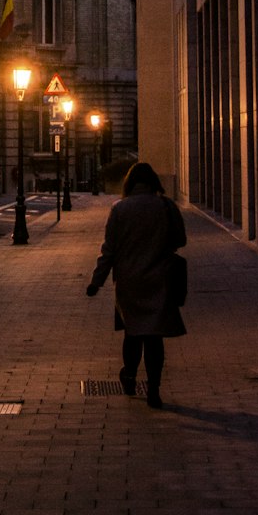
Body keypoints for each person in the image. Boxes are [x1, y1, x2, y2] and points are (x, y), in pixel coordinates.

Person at [85, 161, 186, 409]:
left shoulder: (120, 209)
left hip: (129, 281)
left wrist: (96, 281)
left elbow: (109, 250)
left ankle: (129, 373)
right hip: (159, 279)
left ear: (129, 183)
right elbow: (180, 239)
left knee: (133, 333)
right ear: (154, 182)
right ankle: (154, 388)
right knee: (154, 337)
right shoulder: (166, 206)